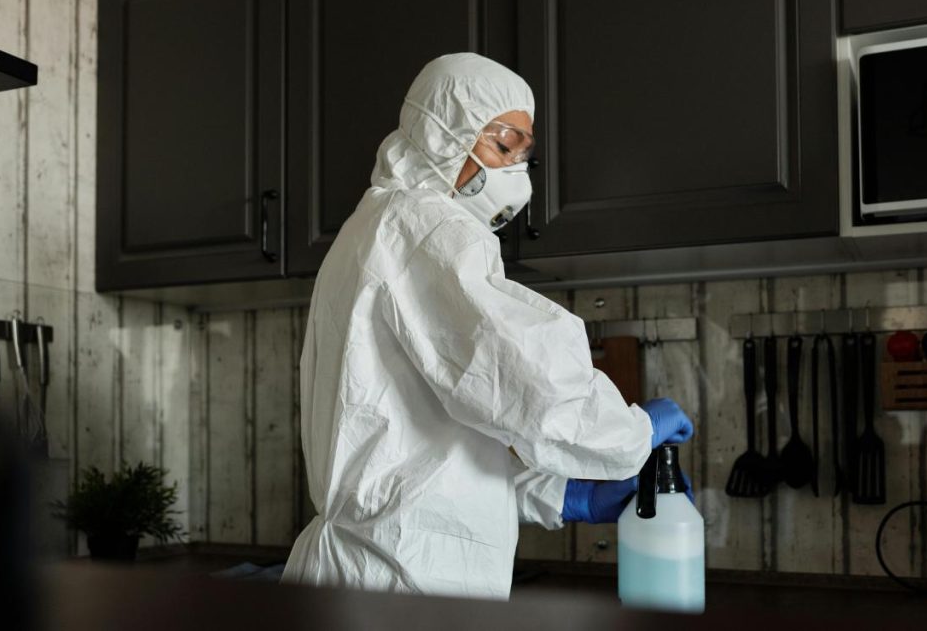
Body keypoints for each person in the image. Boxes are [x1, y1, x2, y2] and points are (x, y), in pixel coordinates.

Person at [280, 53, 694, 599]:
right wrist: (633, 433)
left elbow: (422, 451)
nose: (515, 173)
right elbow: (529, 376)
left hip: (379, 568)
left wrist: (559, 495)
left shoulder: (378, 227)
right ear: (441, 133)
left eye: (524, 154)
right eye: (502, 146)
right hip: (402, 584)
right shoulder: (425, 226)